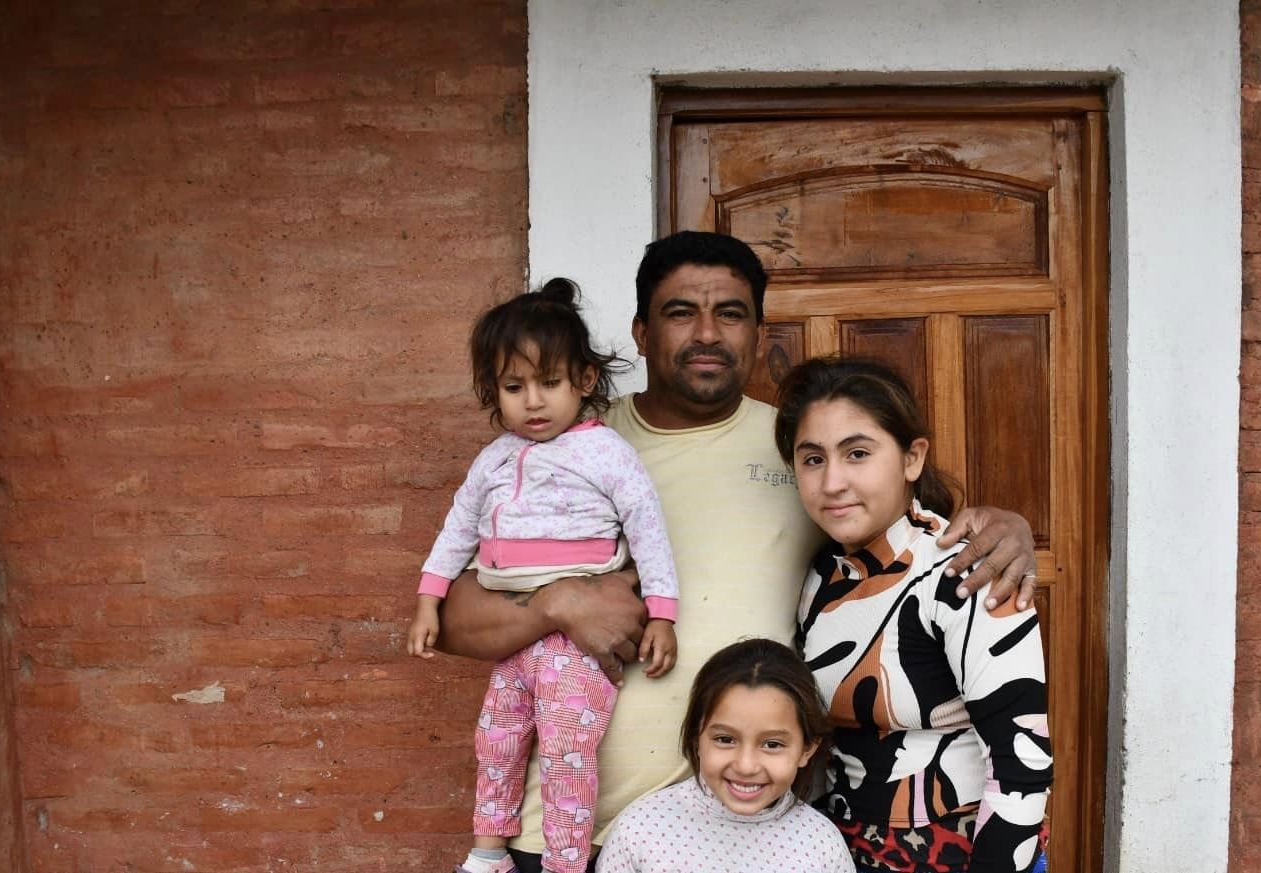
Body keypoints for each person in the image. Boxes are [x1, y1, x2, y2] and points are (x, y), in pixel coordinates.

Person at [432, 231, 1039, 873]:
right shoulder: (563, 445)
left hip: (737, 833)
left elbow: (900, 524)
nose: (706, 333)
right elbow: (447, 619)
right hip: (563, 831)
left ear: (758, 332)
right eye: (680, 313)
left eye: (729, 313)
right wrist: (557, 604)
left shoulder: (800, 450)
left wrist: (1007, 527)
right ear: (641, 333)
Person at [407, 279, 680, 873]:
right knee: (496, 740)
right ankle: (488, 853)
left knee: (566, 755)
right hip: (517, 636)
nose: (533, 402)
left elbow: (648, 530)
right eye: (514, 387)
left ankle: (564, 864)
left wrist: (663, 614)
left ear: (584, 380)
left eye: (549, 383)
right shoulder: (494, 459)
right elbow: (458, 528)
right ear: (494, 391)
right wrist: (429, 597)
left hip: (575, 646)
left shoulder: (606, 453)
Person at [775, 357, 1052, 873]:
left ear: (912, 458)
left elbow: (1022, 761)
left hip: (954, 849)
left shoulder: (968, 573)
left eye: (857, 454)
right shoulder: (820, 579)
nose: (832, 481)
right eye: (812, 459)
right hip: (840, 847)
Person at [595, 638, 854, 872]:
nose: (746, 766)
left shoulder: (822, 846)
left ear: (807, 749)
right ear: (696, 739)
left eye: (772, 744)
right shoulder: (642, 829)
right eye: (725, 740)